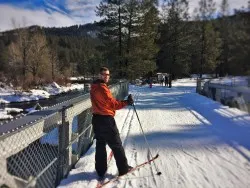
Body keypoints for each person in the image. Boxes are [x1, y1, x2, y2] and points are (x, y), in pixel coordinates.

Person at [90, 66, 134, 178]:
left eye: (108, 74)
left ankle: (100, 170)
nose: (106, 76)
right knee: (116, 145)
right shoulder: (102, 88)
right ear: (99, 75)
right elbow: (112, 104)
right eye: (104, 74)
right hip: (106, 120)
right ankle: (123, 169)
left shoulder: (94, 86)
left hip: (96, 119)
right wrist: (126, 102)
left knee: (100, 144)